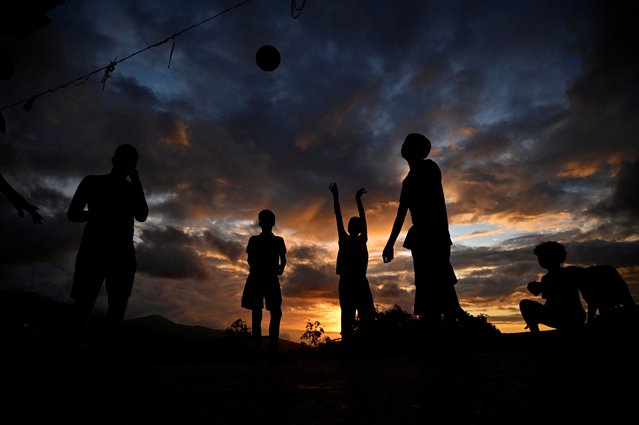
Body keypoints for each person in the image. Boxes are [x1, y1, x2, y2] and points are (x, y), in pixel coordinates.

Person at [382, 133, 465, 329]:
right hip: (421, 238)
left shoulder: (429, 168)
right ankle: (438, 329)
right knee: (428, 288)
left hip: (435, 236)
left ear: (418, 150)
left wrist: (391, 244)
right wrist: (389, 244)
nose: (402, 147)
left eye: (406, 144)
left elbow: (428, 206)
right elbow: (400, 215)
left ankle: (457, 325)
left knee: (442, 283)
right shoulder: (407, 181)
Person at [67, 144, 148, 342]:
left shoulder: (130, 189)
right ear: (114, 160)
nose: (128, 165)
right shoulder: (92, 182)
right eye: (126, 160)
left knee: (115, 310)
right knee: (83, 307)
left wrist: (137, 184)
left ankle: (106, 360)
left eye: (131, 162)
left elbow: (142, 215)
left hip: (120, 254)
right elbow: (73, 213)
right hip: (94, 251)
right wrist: (98, 215)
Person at [329, 182, 376, 345]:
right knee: (348, 315)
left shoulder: (362, 239)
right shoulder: (345, 239)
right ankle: (349, 347)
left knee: (365, 315)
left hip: (359, 281)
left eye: (353, 224)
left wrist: (358, 200)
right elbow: (338, 216)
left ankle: (364, 346)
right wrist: (336, 197)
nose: (351, 226)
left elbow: (360, 218)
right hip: (348, 281)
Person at [241, 209, 287, 354]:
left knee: (260, 313)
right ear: (272, 223)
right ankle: (269, 348)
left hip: (259, 278)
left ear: (260, 223)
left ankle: (260, 349)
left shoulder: (256, 240)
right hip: (266, 278)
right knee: (271, 313)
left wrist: (279, 268)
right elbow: (283, 260)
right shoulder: (276, 241)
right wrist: (280, 268)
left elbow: (251, 260)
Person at [519, 241, 586, 335]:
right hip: (569, 316)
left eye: (542, 257)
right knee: (525, 304)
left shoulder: (570, 272)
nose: (540, 260)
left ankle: (535, 336)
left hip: (570, 317)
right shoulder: (548, 278)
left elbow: (560, 293)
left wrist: (541, 288)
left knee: (525, 304)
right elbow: (551, 300)